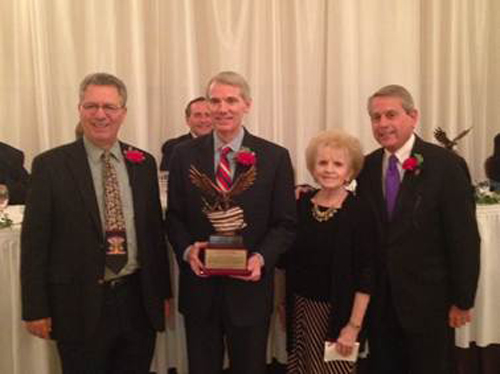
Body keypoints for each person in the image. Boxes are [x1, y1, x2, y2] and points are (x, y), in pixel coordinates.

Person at [21, 72, 172, 374]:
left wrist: (163, 293)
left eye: (109, 107)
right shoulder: (50, 165)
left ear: (123, 113)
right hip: (77, 305)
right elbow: (35, 243)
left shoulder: (143, 163)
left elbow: (154, 235)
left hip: (137, 301)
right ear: (79, 109)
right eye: (91, 106)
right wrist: (35, 309)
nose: (100, 115)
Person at [166, 71, 297, 374]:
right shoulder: (182, 155)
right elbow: (173, 216)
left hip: (249, 292)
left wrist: (261, 259)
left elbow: (285, 223)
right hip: (199, 289)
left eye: (231, 100)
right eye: (215, 101)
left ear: (246, 105)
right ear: (207, 106)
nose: (222, 108)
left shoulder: (274, 157)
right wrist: (187, 251)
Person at [357, 84, 480, 374]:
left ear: (413, 117)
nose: (383, 124)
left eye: (391, 114)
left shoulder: (446, 165)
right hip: (381, 304)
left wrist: (463, 300)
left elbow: (463, 238)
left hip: (430, 303)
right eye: (376, 117)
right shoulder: (366, 167)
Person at [284, 130, 374, 374]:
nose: (329, 169)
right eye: (322, 162)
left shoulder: (360, 211)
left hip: (338, 315)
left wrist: (353, 327)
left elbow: (367, 275)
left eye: (338, 164)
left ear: (350, 171)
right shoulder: (301, 204)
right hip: (300, 309)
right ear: (313, 167)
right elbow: (288, 260)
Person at [159, 96, 213, 171]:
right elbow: (166, 180)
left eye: (208, 115)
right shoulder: (172, 147)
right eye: (197, 115)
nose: (203, 120)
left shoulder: (225, 146)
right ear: (187, 120)